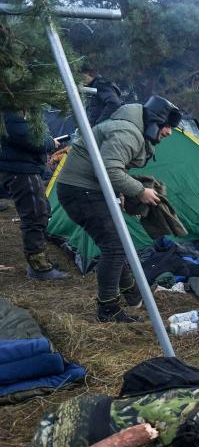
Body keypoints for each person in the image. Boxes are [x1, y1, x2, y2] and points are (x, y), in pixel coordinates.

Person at [56, 97, 182, 322]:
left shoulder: (131, 129)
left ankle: (132, 293)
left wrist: (119, 192)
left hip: (85, 189)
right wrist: (140, 191)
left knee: (118, 243)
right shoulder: (128, 132)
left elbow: (110, 167)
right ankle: (107, 309)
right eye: (168, 127)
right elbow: (107, 170)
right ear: (156, 121)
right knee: (114, 246)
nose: (169, 133)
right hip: (80, 191)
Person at [0, 111, 68, 280]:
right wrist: (50, 143)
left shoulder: (13, 110)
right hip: (21, 170)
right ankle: (39, 268)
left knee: (41, 210)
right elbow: (28, 138)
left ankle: (40, 260)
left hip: (22, 167)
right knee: (35, 216)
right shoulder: (9, 111)